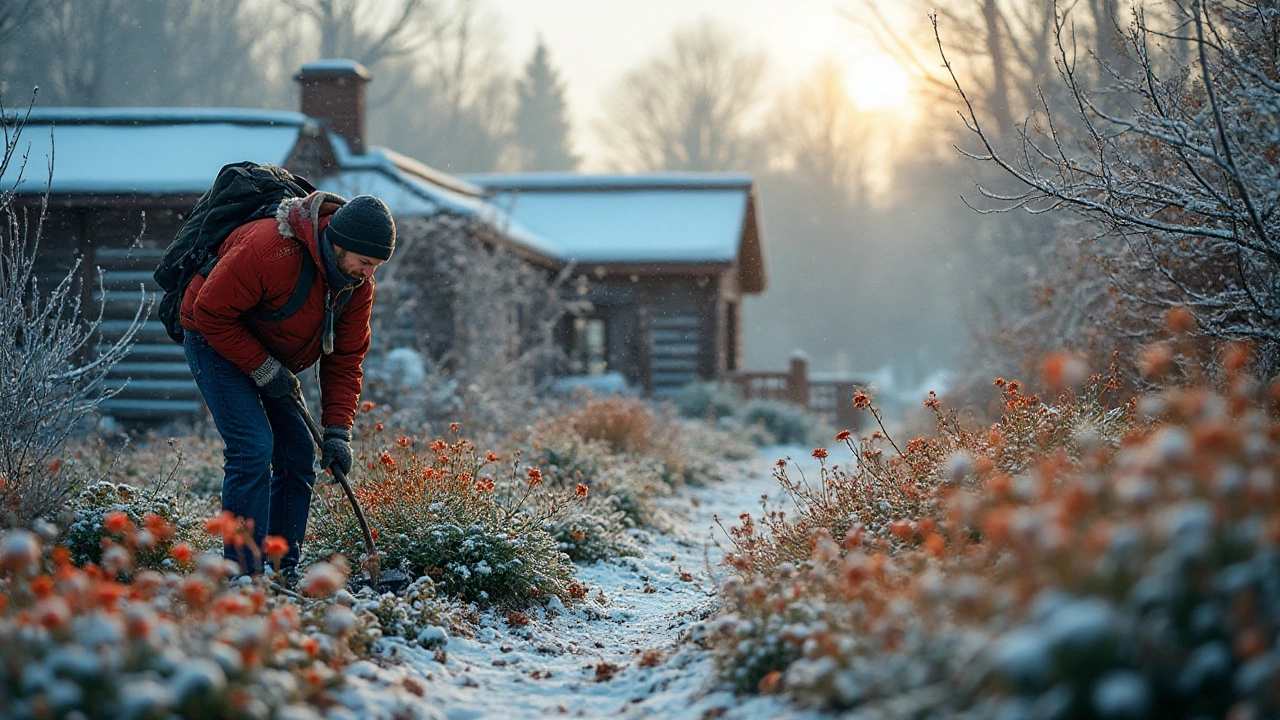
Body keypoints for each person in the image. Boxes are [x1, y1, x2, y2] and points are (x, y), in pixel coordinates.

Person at [179, 192, 395, 580]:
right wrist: (262, 368)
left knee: (297, 452)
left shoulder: (355, 287)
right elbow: (209, 312)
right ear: (339, 244)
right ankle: (245, 573)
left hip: (269, 353)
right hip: (211, 336)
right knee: (253, 447)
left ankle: (281, 569)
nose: (369, 273)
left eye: (376, 266)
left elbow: (345, 361)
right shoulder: (270, 250)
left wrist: (337, 432)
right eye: (365, 262)